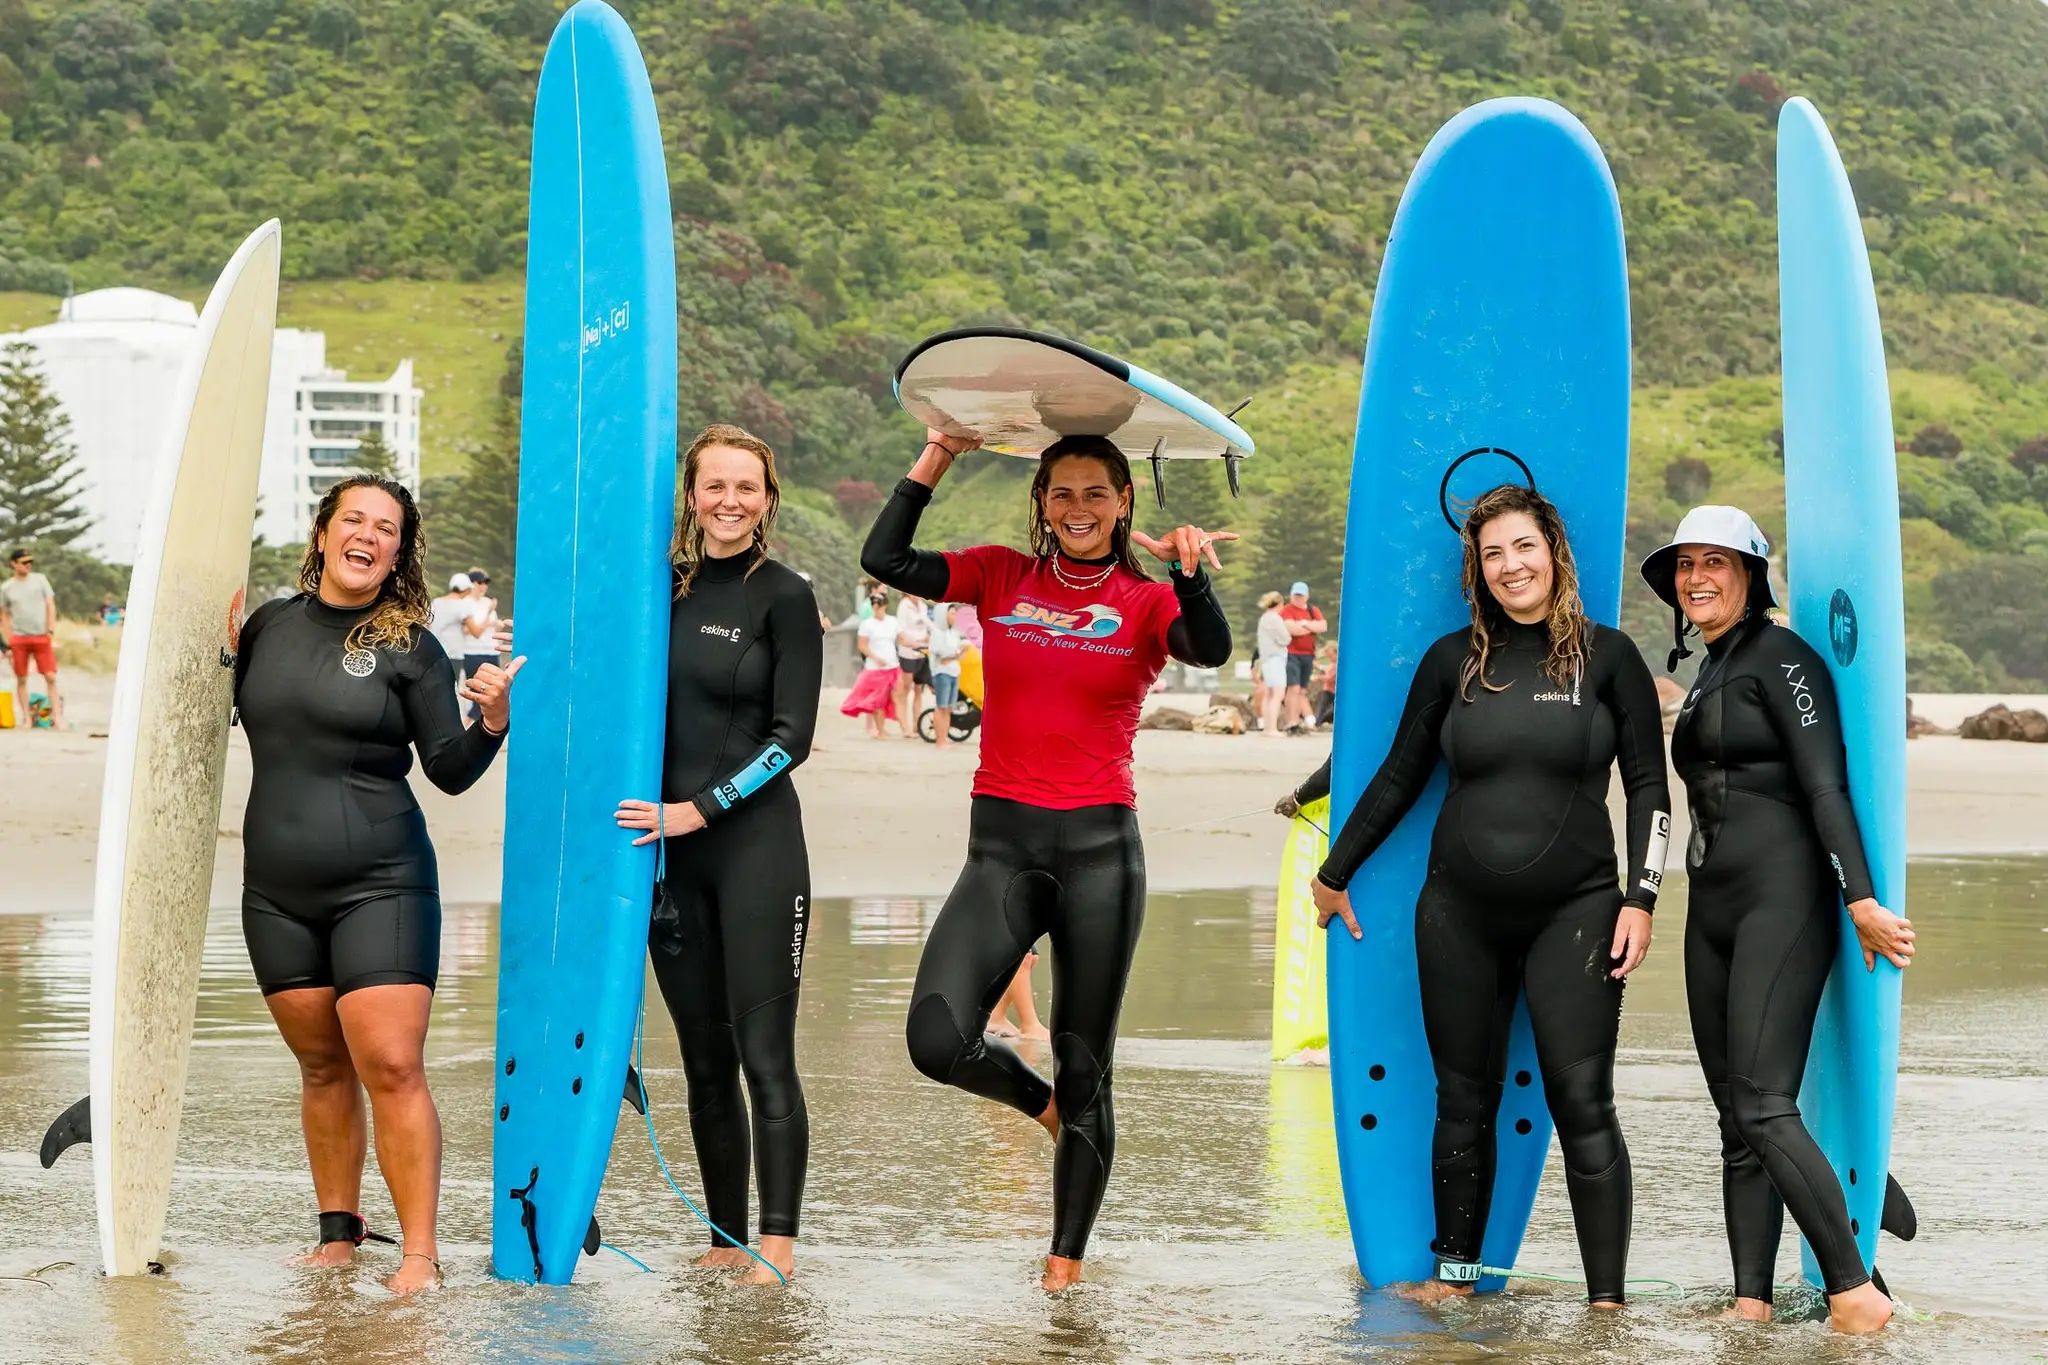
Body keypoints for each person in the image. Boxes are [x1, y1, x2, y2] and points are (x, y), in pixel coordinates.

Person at [861, 427, 1235, 1291]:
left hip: (1104, 855)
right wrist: (938, 454)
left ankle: (1062, 1278)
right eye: (1060, 493)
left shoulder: (1146, 605)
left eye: (1095, 494)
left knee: (1085, 1057)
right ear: (1040, 504)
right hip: (1000, 849)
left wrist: (1189, 571)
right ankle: (1047, 1108)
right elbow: (886, 556)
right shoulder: (1000, 575)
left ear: (1124, 503)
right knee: (935, 1038)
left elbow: (1208, 648)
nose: (1077, 509)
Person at [1308, 483, 1668, 1307]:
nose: (1512, 566)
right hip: (1458, 913)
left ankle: (1606, 1305)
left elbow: (1650, 788)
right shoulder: (1452, 662)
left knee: (1582, 1101)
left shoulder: (1609, 660)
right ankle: (1459, 1279)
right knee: (1461, 1099)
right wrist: (1335, 874)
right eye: (1493, 553)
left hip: (1578, 912)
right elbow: (1399, 775)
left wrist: (1641, 899)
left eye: (1524, 547)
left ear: (1555, 553)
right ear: (1478, 569)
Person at [232, 475, 521, 1294]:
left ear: (399, 551)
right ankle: (337, 1234)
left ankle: (420, 1256)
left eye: (385, 527)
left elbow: (451, 771)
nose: (366, 534)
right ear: (322, 532)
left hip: (381, 882)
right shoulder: (265, 629)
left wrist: (493, 722)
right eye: (352, 518)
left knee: (390, 1063)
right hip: (275, 890)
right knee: (322, 1067)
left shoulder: (409, 647)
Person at [1643, 506, 1915, 1334]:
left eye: (1715, 562)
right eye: (1686, 564)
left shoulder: (1784, 658)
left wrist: (1860, 895)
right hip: (1712, 911)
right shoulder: (1711, 671)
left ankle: (1855, 1294)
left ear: (1753, 573)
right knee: (1736, 1119)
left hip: (1782, 899)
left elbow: (1826, 782)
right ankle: (1751, 1301)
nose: (1697, 577)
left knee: (1764, 1104)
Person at [614, 424, 823, 1286]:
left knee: (764, 1054)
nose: (729, 501)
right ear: (690, 496)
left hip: (755, 851)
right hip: (668, 858)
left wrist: (698, 810)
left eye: (747, 487)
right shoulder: (656, 591)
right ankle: (722, 1235)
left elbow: (792, 737)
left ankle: (776, 1246)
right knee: (703, 1061)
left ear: (768, 498)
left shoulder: (785, 595)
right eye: (714, 486)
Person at [3, 548, 62, 730]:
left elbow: (50, 604)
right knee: (21, 678)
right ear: (14, 564)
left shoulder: (40, 580)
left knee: (50, 676)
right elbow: (4, 614)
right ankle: (27, 719)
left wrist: (50, 630)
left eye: (30, 562)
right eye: (24, 562)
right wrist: (9, 639)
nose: (28, 565)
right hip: (19, 637)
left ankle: (58, 718)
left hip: (41, 635)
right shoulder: (6, 588)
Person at [843, 588, 905, 738]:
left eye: (879, 603)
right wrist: (875, 657)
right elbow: (862, 645)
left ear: (885, 605)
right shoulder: (867, 624)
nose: (876, 606)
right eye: (874, 603)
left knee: (898, 696)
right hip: (875, 668)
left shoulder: (892, 621)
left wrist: (918, 643)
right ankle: (880, 731)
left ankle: (906, 728)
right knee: (879, 700)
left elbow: (902, 639)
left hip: (893, 666)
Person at [1279, 581, 1327, 731]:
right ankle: (1291, 722)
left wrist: (1304, 624)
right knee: (1293, 688)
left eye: (1301, 595)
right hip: (1292, 653)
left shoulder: (1313, 610)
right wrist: (1311, 627)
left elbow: (1323, 626)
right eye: (1296, 595)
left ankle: (1298, 721)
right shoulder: (1287, 610)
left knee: (1302, 690)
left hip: (1308, 654)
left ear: (1307, 596)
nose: (1298, 598)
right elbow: (1291, 629)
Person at [460, 568, 503, 721]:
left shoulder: (488, 602)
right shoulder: (465, 603)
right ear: (471, 584)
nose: (484, 586)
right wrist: (488, 617)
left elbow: (494, 628)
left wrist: (497, 625)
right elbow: (467, 630)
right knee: (478, 692)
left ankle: (472, 727)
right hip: (473, 652)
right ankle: (465, 726)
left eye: (486, 583)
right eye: (480, 583)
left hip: (492, 651)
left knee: (494, 692)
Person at [428, 573, 475, 706]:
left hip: (433, 652)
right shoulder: (462, 605)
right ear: (465, 589)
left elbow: (427, 624)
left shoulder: (436, 602)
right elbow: (475, 631)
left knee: (432, 688)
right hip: (453, 654)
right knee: (449, 691)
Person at [927, 601, 966, 749]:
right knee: (941, 706)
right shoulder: (937, 632)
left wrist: (956, 654)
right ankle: (940, 740)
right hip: (942, 673)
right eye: (951, 613)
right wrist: (953, 654)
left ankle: (945, 737)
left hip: (954, 671)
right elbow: (939, 655)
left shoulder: (954, 633)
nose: (954, 616)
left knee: (949, 708)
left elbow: (953, 654)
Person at [1255, 590, 1290, 738]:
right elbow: (1285, 639)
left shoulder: (1264, 618)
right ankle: (1272, 729)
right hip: (1275, 658)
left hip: (1266, 659)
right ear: (1280, 603)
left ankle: (1267, 727)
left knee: (1269, 695)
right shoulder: (1275, 619)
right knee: (1278, 694)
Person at [895, 592, 933, 731]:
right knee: (905, 690)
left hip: (922, 652)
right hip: (908, 652)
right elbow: (900, 628)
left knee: (918, 690)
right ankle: (904, 727)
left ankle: (916, 726)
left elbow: (929, 625)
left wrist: (931, 637)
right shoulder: (904, 605)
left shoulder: (923, 606)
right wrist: (909, 642)